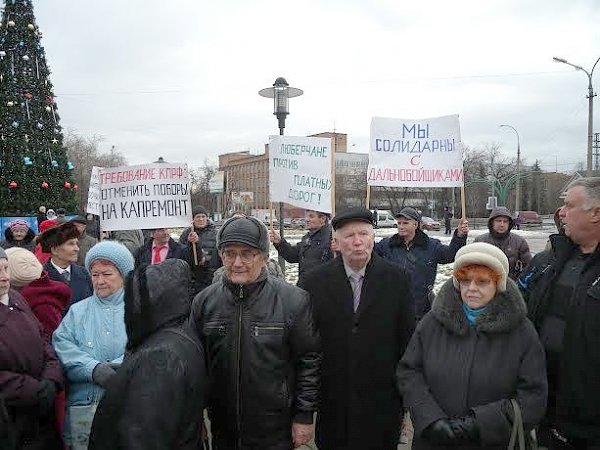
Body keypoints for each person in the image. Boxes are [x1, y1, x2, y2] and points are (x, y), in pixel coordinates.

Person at [397, 242, 547, 449]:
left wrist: (479, 425)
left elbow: (533, 396)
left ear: (498, 283)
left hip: (493, 442)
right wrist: (431, 419)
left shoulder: (521, 331)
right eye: (465, 281)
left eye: (482, 282)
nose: (472, 289)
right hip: (435, 440)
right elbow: (409, 372)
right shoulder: (433, 322)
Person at [189, 216, 321, 449]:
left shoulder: (293, 301)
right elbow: (195, 365)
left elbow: (308, 361)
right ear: (221, 256)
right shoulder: (204, 302)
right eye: (230, 253)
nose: (237, 262)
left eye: (247, 253)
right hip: (223, 425)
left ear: (264, 257)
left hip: (274, 427)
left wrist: (304, 415)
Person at [301, 208, 415, 450]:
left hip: (382, 400)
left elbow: (407, 341)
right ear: (336, 242)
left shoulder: (398, 279)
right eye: (349, 236)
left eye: (363, 234)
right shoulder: (313, 282)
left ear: (373, 237)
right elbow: (307, 343)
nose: (357, 241)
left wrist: (406, 402)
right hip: (333, 400)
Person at [88, 259, 205, 449]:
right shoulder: (174, 335)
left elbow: (142, 436)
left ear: (154, 302)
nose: (130, 307)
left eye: (135, 298)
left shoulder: (160, 357)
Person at [518, 178, 600, 449]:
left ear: (596, 213)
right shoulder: (547, 262)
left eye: (568, 205)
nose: (560, 212)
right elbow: (518, 309)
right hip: (547, 410)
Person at [52, 241, 134, 450]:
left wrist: (118, 369)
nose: (99, 281)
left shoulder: (139, 311)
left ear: (123, 275)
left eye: (107, 274)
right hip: (84, 409)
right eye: (95, 274)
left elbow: (146, 348)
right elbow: (62, 346)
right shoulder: (77, 312)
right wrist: (93, 369)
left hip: (128, 406)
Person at [5, 246, 72, 446]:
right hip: (17, 408)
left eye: (5, 269)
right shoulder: (25, 299)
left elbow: (46, 343)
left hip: (38, 405)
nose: (2, 276)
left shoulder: (21, 300)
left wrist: (49, 382)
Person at [375, 206, 469, 321]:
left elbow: (451, 255)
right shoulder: (387, 245)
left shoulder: (431, 246)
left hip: (421, 310)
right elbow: (368, 255)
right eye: (399, 223)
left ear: (416, 225)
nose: (401, 226)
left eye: (405, 223)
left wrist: (459, 236)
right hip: (392, 309)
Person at [268, 209, 333, 286]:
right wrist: (279, 242)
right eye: (306, 216)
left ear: (323, 219)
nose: (307, 219)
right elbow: (292, 256)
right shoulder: (307, 238)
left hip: (323, 289)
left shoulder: (332, 238)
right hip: (305, 287)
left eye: (311, 216)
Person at [38, 221, 92, 309]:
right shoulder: (41, 277)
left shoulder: (84, 273)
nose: (77, 249)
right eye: (71, 244)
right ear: (55, 250)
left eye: (76, 244)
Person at [474, 207, 532, 280]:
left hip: (512, 286)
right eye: (498, 221)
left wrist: (518, 285)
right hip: (486, 285)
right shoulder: (480, 241)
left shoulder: (519, 242)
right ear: (492, 222)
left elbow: (529, 268)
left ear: (509, 224)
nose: (502, 224)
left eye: (505, 221)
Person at [180, 206, 220, 294]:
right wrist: (191, 244)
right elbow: (182, 254)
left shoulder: (215, 234)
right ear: (193, 219)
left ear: (207, 218)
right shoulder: (186, 234)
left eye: (203, 216)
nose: (201, 219)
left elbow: (216, 255)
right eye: (198, 217)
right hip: (193, 277)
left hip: (210, 276)